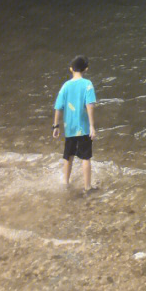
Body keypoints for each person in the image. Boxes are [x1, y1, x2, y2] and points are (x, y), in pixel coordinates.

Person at [52, 55, 97, 191]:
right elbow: (90, 105)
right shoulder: (88, 84)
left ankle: (65, 183)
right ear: (86, 69)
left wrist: (56, 126)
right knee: (86, 157)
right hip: (83, 128)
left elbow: (58, 107)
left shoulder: (65, 86)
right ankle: (87, 186)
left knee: (68, 156)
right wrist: (92, 126)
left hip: (69, 128)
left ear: (71, 69)